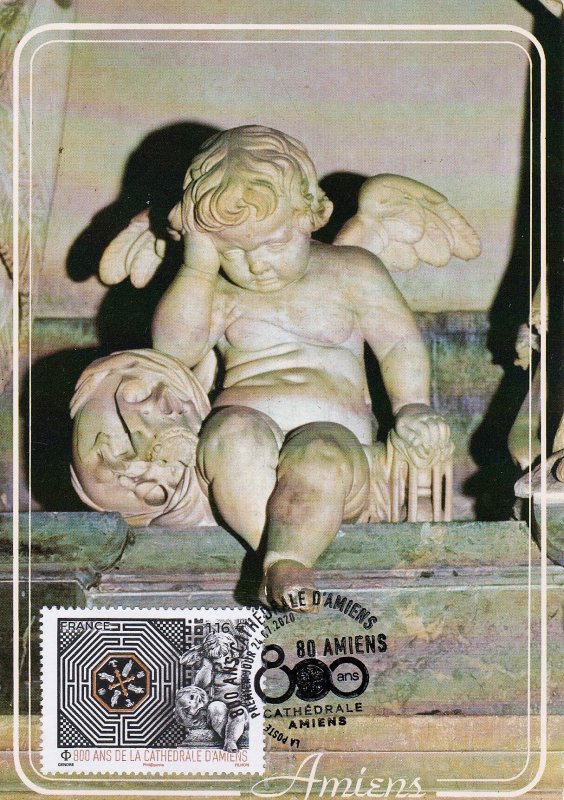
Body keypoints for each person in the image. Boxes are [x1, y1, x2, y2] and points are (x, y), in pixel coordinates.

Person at [152, 125, 450, 610]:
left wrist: (412, 405)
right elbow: (173, 354)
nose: (255, 264)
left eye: (272, 243)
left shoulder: (351, 269)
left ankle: (287, 556)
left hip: (341, 452)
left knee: (319, 451)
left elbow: (398, 343)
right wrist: (199, 267)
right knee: (233, 434)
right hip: (243, 447)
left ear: (310, 216)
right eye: (232, 250)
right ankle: (281, 560)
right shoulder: (215, 290)